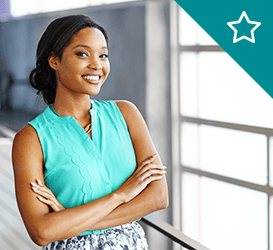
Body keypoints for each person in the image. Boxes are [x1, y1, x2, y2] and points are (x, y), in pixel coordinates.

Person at [12, 14, 168, 250]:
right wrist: (121, 196)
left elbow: (158, 197)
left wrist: (69, 221)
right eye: (82, 54)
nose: (97, 65)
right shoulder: (31, 139)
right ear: (54, 60)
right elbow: (42, 232)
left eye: (103, 55)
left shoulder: (126, 114)